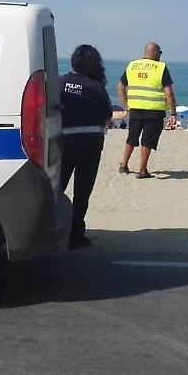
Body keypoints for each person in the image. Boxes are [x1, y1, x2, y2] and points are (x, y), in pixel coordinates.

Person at [58, 45, 112, 249]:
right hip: (90, 143)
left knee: (57, 187)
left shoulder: (60, 82)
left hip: (64, 141)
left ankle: (52, 228)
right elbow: (106, 115)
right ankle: (76, 234)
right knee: (82, 191)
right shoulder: (96, 87)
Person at [116, 42, 177, 179]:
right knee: (147, 140)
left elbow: (120, 87)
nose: (160, 55)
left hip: (135, 108)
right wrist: (173, 112)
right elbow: (169, 93)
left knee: (132, 137)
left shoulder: (132, 65)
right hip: (154, 111)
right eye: (160, 52)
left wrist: (126, 105)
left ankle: (124, 165)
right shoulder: (160, 67)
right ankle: (142, 170)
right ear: (155, 53)